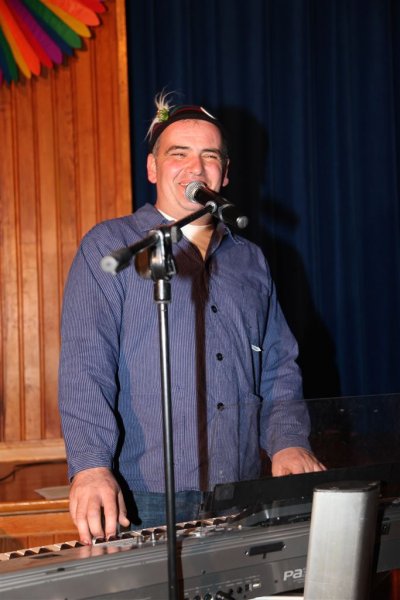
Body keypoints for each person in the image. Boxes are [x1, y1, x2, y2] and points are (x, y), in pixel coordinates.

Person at [58, 92, 325, 545]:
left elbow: (279, 365)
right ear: (152, 168)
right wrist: (90, 465)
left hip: (240, 489)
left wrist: (288, 440)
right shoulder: (110, 245)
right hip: (144, 498)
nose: (196, 168)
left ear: (225, 173)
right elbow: (86, 366)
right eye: (178, 154)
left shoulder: (250, 260)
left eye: (210, 156)